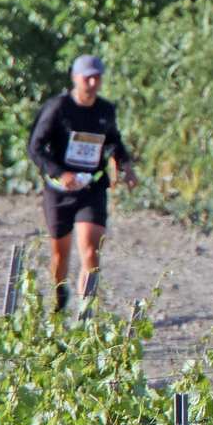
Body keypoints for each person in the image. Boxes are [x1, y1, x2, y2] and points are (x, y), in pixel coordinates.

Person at [27, 54, 139, 313]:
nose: (92, 81)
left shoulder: (105, 110)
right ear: (74, 77)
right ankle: (59, 298)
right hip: (60, 191)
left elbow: (112, 140)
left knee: (91, 252)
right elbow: (35, 147)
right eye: (86, 76)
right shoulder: (57, 108)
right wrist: (60, 173)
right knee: (60, 254)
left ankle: (84, 314)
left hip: (92, 189)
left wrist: (127, 166)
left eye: (96, 77)